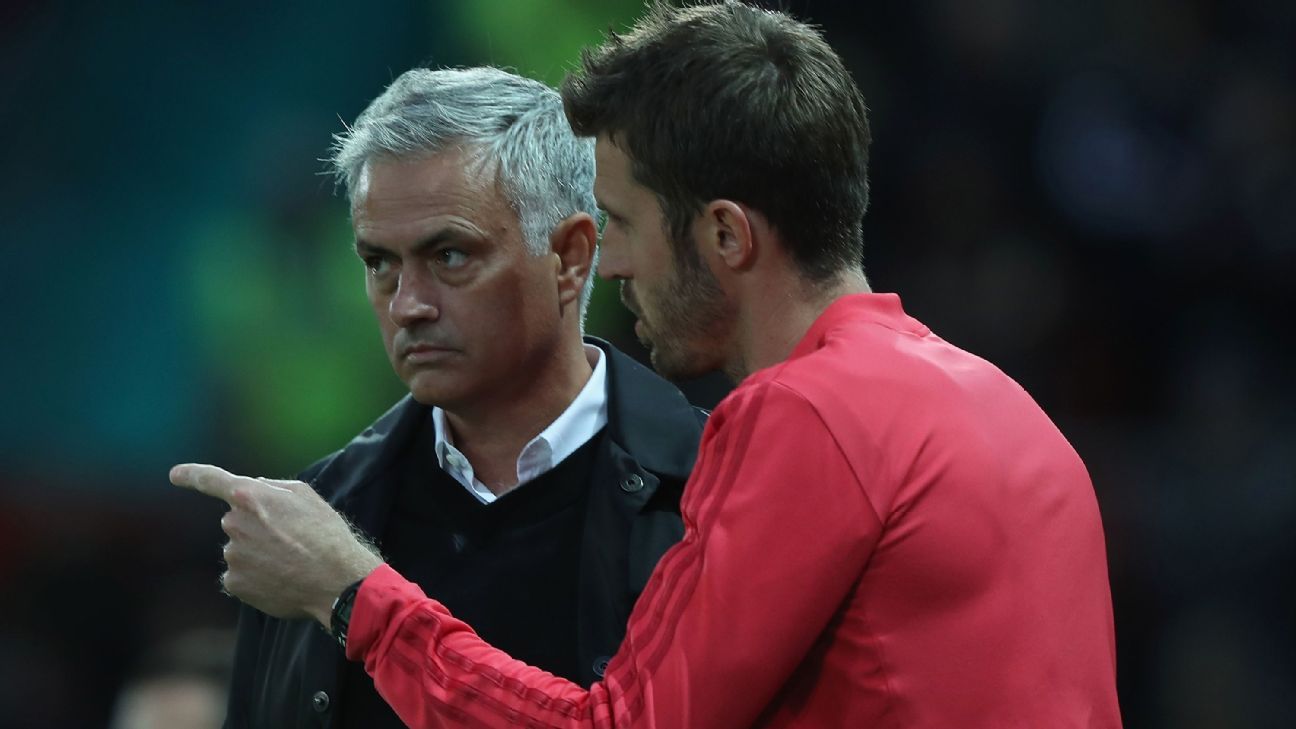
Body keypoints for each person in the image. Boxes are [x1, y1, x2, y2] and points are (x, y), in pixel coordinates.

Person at [173, 2, 1123, 727]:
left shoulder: (805, 415)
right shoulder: (1005, 408)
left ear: (725, 235)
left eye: (623, 224)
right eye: (380, 263)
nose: (615, 265)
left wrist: (356, 596)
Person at [213, 66, 706, 728]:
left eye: (449, 256)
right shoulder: (314, 518)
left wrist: (353, 597)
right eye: (379, 263)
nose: (407, 305)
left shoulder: (714, 490)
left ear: (570, 257)